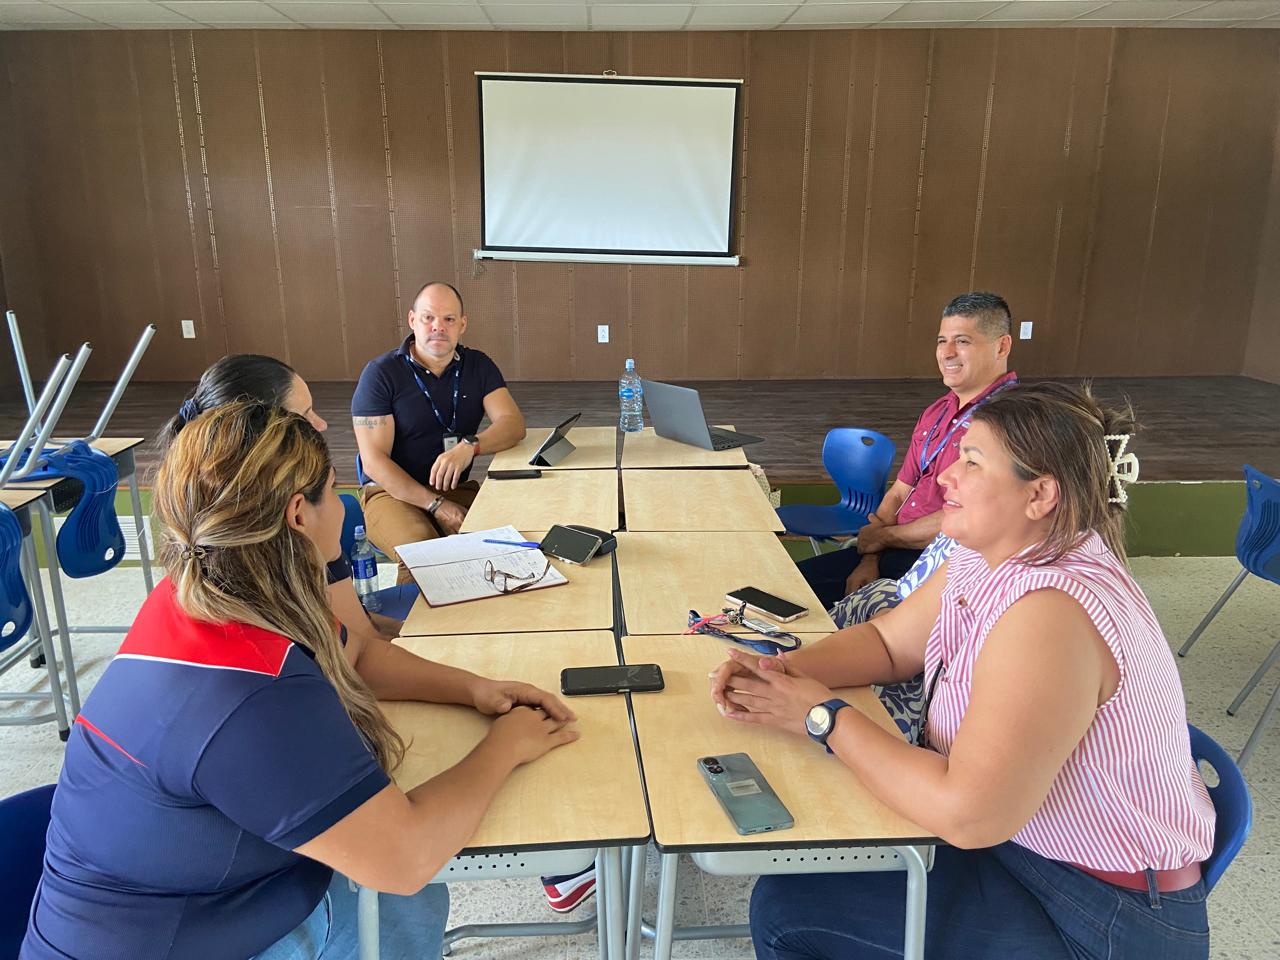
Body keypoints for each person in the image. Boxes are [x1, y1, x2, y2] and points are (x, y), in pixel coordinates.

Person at [24, 403, 578, 960]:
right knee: (404, 898)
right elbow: (404, 861)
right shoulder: (254, 696)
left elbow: (353, 653)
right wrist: (504, 748)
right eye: (333, 492)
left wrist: (473, 688)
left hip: (159, 897)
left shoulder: (201, 590)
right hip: (176, 936)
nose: (341, 509)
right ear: (298, 514)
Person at [711, 382, 1214, 960]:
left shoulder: (1051, 611)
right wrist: (780, 670)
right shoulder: (985, 552)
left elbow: (968, 816)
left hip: (1094, 911)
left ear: (1041, 494)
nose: (946, 476)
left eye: (971, 461)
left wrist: (821, 718)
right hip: (1023, 845)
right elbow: (888, 642)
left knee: (789, 911)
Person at [162, 354, 405, 643]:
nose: (321, 424)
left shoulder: (199, 533)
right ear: (265, 436)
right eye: (305, 415)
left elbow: (355, 626)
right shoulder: (281, 539)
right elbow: (356, 651)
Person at [798, 292, 1017, 610]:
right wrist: (870, 555)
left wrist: (885, 538)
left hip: (940, 565)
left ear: (1002, 346)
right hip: (893, 547)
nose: (947, 353)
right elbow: (900, 492)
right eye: (942, 341)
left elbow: (967, 516)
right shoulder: (937, 410)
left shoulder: (1011, 420)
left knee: (799, 604)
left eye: (963, 341)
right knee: (785, 587)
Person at [352, 281, 526, 582]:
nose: (438, 327)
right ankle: (414, 629)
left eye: (448, 319)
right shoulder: (381, 374)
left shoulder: (478, 366)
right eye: (428, 317)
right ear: (412, 320)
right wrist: (436, 505)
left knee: (512, 539)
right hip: (391, 493)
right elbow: (374, 463)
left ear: (462, 324)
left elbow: (513, 424)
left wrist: (470, 446)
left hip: (453, 486)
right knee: (425, 554)